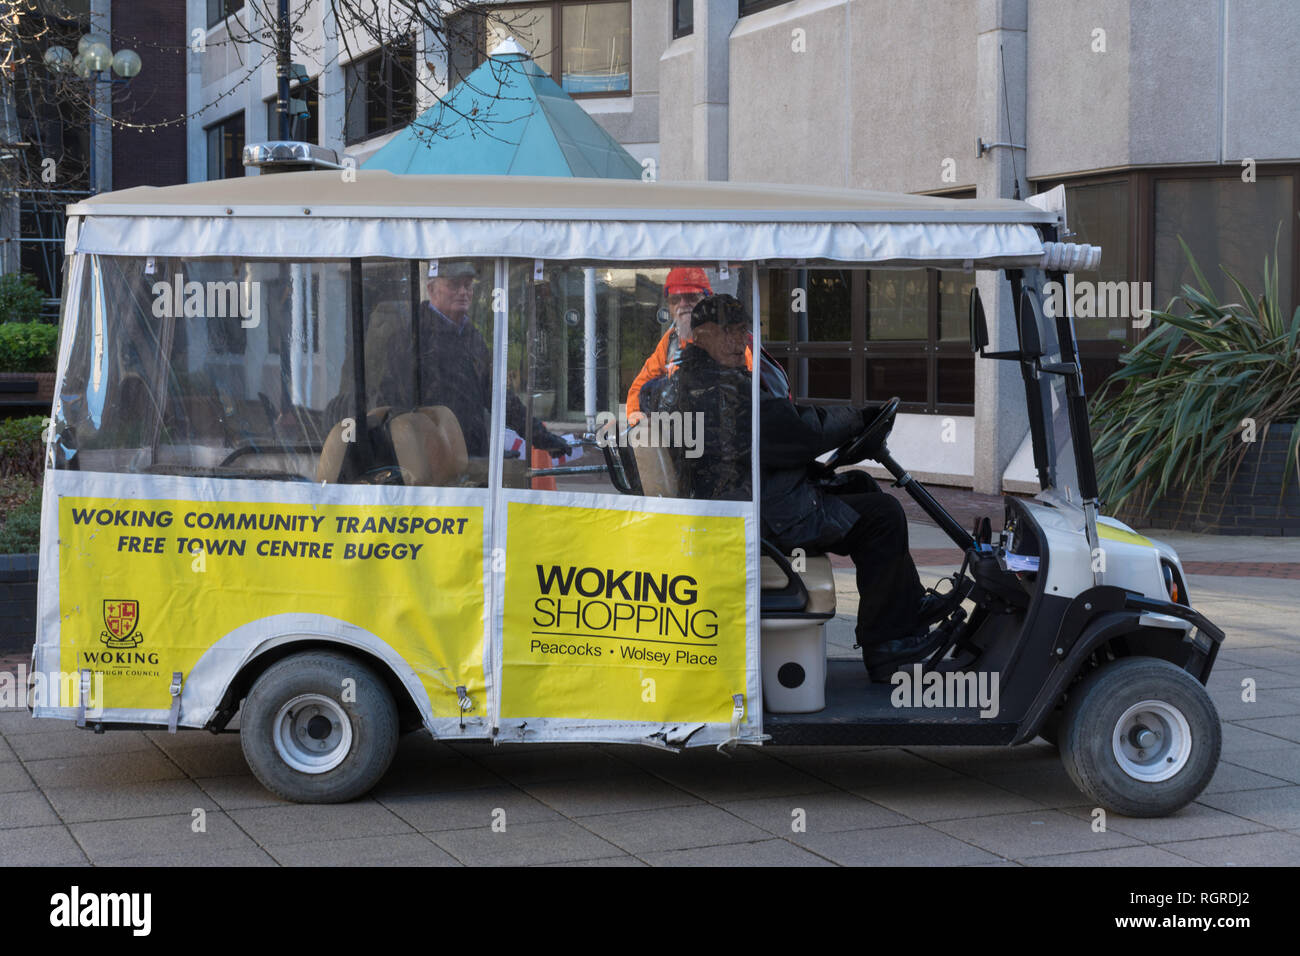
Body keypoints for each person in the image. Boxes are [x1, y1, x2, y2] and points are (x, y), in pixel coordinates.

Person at [664, 294, 956, 678]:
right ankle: (886, 644)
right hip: (756, 517)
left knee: (862, 485)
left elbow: (783, 433)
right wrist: (858, 417)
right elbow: (797, 429)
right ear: (700, 335)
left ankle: (908, 606)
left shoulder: (707, 379)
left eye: (742, 331)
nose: (740, 341)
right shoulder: (718, 390)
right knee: (883, 516)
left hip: (752, 500)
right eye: (729, 332)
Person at [371, 261, 569, 459]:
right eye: (454, 285)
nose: (463, 292)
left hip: (470, 458)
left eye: (467, 285)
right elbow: (397, 409)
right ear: (431, 290)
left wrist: (542, 438)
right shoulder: (412, 339)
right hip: (434, 463)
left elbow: (498, 396)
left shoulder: (471, 337)